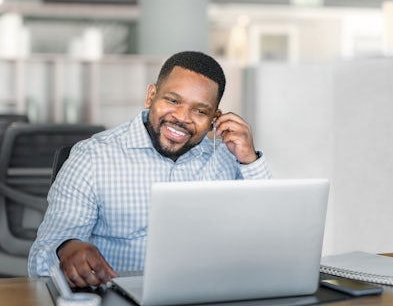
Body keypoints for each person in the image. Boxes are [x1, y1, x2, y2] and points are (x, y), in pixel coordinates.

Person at [28, 51, 271, 287]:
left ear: (214, 119)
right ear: (151, 96)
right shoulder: (92, 157)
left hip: (206, 292)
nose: (182, 117)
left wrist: (249, 160)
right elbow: (40, 259)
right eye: (173, 100)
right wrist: (66, 250)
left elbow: (271, 237)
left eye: (200, 111)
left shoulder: (226, 158)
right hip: (118, 295)